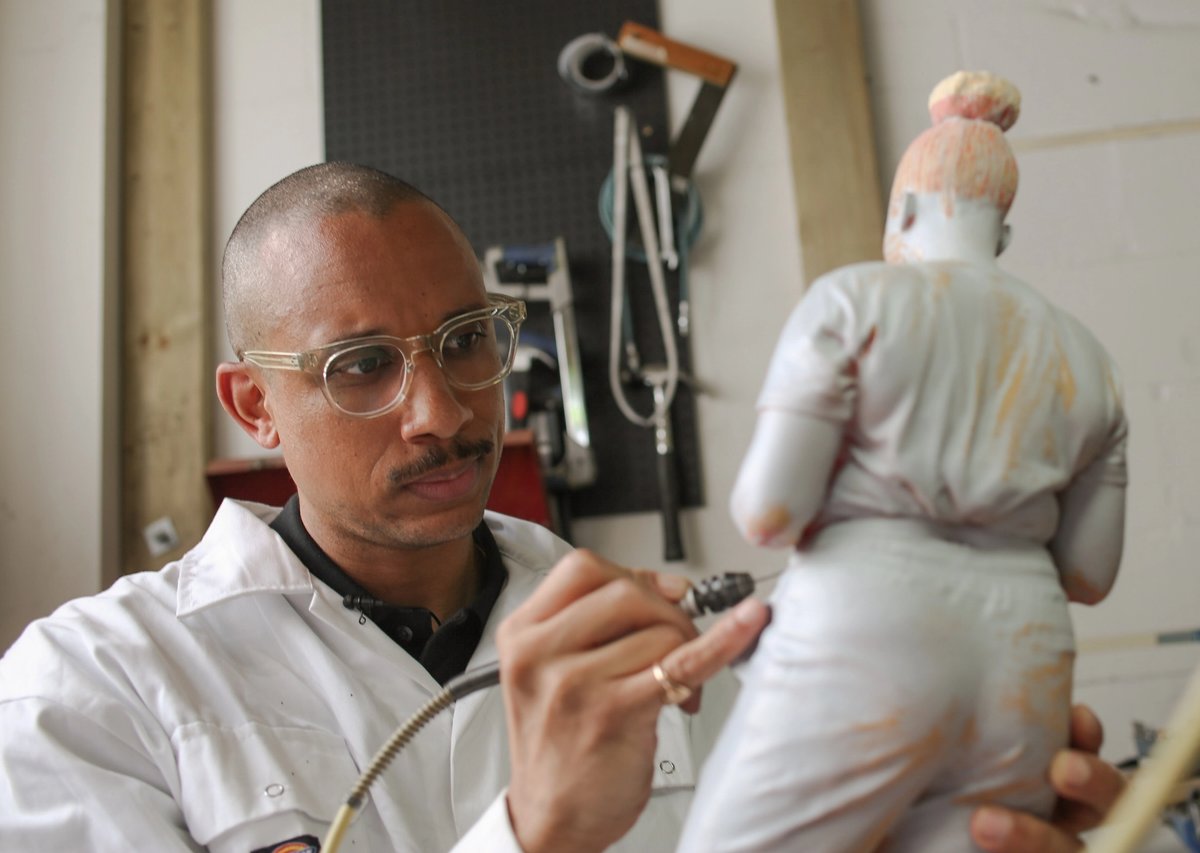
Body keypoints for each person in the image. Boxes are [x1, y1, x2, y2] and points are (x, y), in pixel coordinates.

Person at [0, 161, 1122, 852]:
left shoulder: (682, 645)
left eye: (466, 343)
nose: (437, 412)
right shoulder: (90, 687)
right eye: (359, 368)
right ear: (256, 403)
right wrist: (532, 834)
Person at [678, 72, 1129, 852]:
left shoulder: (852, 300)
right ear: (1004, 234)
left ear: (907, 211)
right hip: (1023, 659)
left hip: (865, 632)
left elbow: (768, 513)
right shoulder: (1088, 356)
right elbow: (1087, 574)